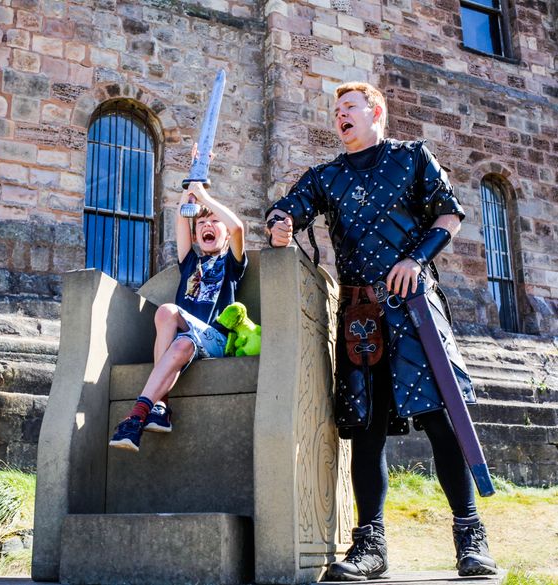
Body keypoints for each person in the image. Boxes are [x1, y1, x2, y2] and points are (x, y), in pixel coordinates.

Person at [265, 81, 497, 580]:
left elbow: (450, 214)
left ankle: (471, 539)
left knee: (441, 421)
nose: (339, 116)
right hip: (359, 318)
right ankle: (370, 548)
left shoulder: (412, 157)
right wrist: (280, 222)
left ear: (375, 112)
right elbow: (290, 204)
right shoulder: (326, 176)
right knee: (366, 431)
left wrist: (417, 259)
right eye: (335, 110)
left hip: (414, 309)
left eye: (348, 107)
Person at [109, 179, 246, 452]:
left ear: (225, 235)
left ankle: (139, 411)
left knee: (168, 311)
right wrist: (191, 184)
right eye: (202, 224)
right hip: (187, 341)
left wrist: (204, 196)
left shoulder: (231, 263)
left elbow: (238, 227)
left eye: (215, 222)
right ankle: (155, 410)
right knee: (177, 334)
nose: (208, 226)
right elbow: (181, 215)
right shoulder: (190, 263)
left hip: (216, 339)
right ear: (196, 236)